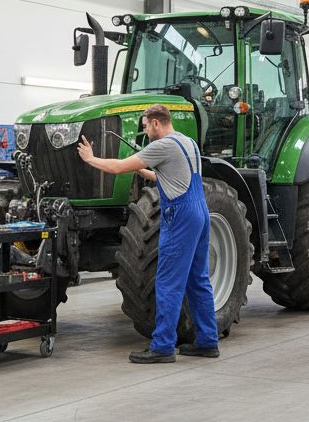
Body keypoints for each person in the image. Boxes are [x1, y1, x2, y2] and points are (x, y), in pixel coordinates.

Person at [76, 103, 219, 364]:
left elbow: (118, 167)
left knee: (167, 282)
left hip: (180, 215)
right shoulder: (188, 143)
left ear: (156, 123)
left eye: (145, 126)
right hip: (200, 211)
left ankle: (163, 346)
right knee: (197, 279)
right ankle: (208, 341)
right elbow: (172, 177)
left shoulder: (161, 145)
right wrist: (143, 170)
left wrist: (91, 159)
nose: (145, 131)